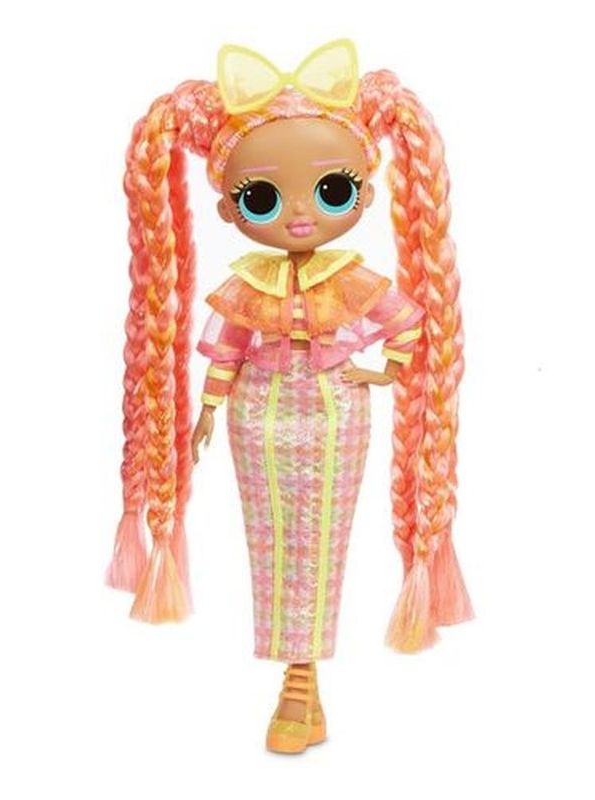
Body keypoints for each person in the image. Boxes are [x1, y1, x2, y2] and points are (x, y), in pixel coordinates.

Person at [105, 39, 473, 755]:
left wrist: (387, 372)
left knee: (322, 536)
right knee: (271, 537)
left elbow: (407, 322)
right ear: (228, 207)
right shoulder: (248, 286)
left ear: (366, 194)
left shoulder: (353, 281)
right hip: (258, 417)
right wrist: (207, 410)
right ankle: (295, 677)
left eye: (332, 190)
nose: (300, 216)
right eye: (263, 198)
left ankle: (302, 682)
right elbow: (228, 350)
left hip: (336, 414)